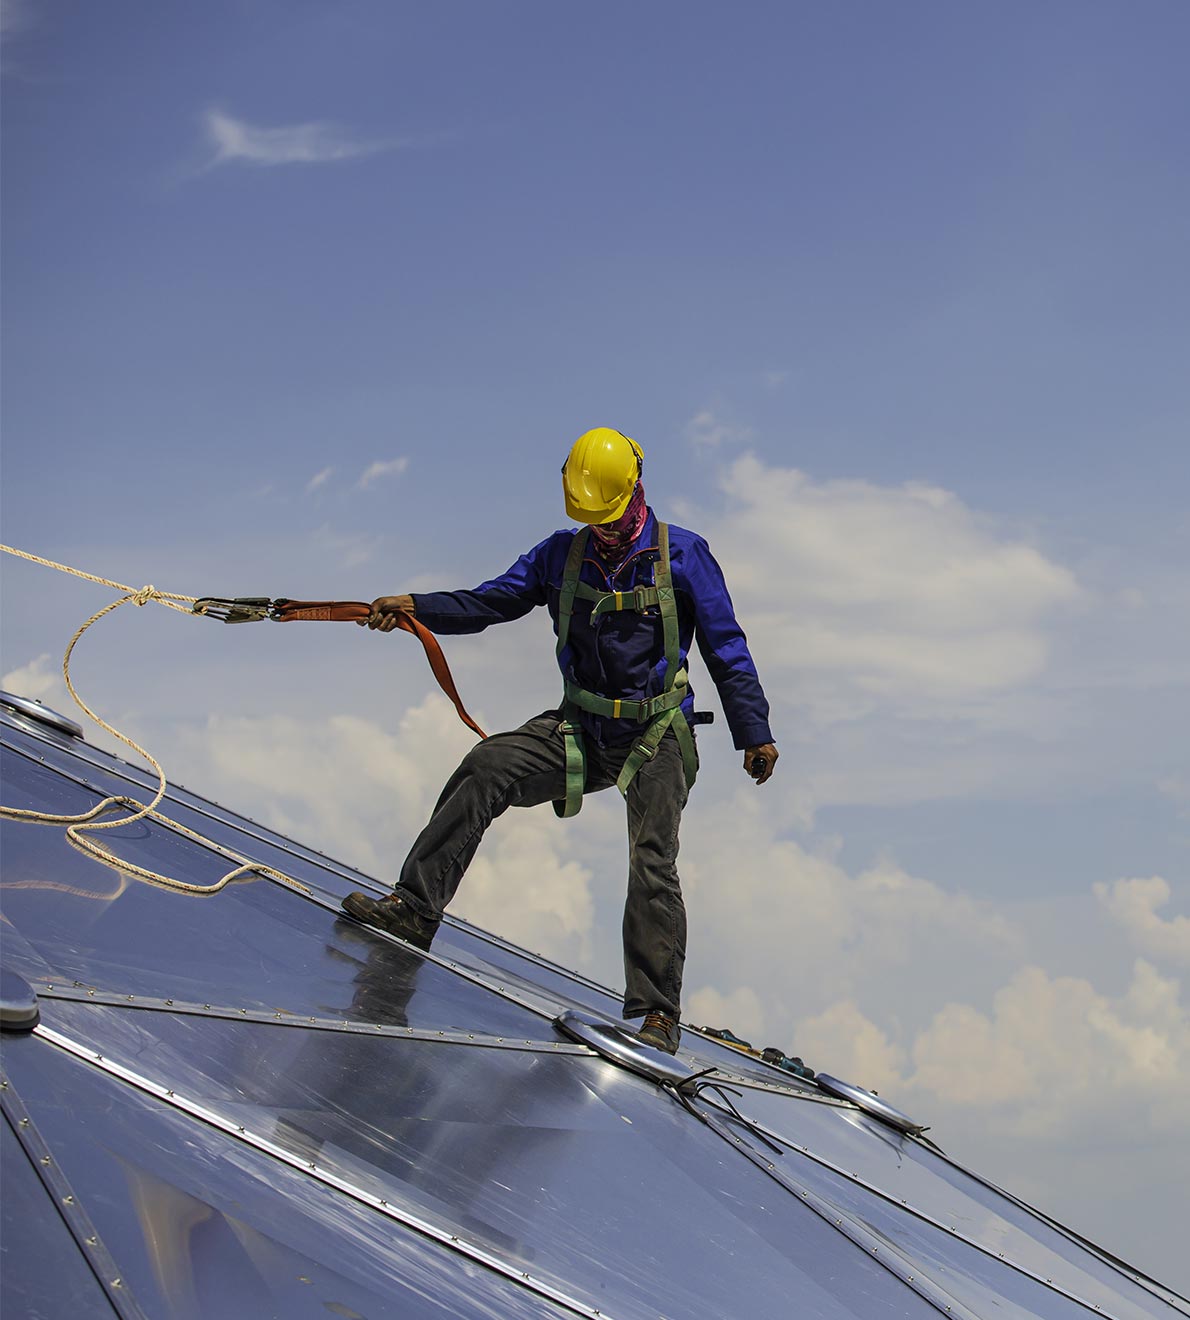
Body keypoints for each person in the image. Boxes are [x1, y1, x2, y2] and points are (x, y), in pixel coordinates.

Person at [343, 428, 777, 1054]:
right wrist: (417, 606)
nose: (601, 529)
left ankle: (657, 1015)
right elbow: (490, 601)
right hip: (579, 728)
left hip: (657, 735)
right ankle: (414, 910)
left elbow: (726, 648)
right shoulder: (560, 557)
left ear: (637, 490)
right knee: (487, 766)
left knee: (652, 854)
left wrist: (754, 732)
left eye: (609, 516)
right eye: (590, 519)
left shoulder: (684, 556)